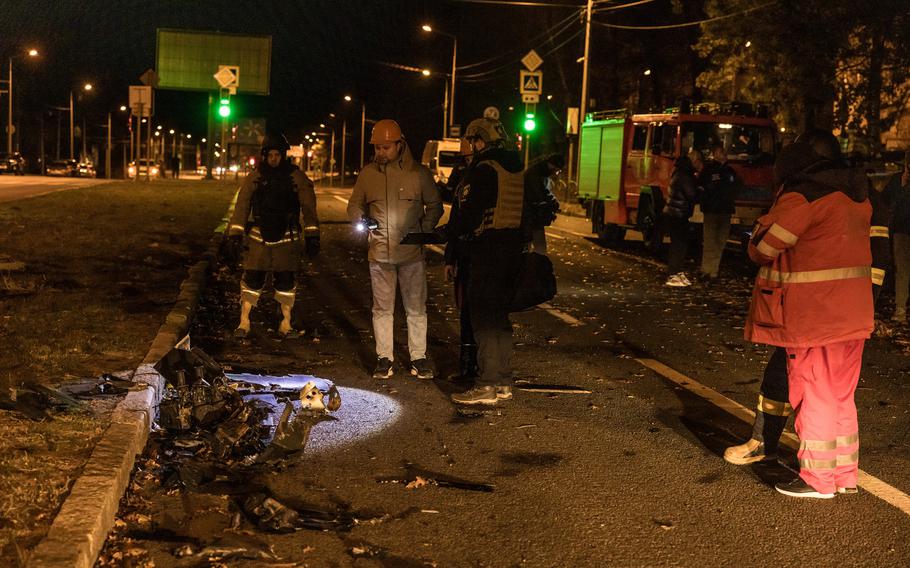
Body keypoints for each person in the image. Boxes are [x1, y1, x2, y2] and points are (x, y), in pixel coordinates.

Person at [724, 132, 888, 469]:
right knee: (836, 393)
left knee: (811, 390)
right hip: (850, 310)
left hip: (812, 312)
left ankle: (809, 469)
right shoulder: (859, 193)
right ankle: (839, 472)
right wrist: (868, 297)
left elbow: (764, 247)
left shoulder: (806, 196)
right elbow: (873, 251)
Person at [347, 119, 443, 379]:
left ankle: (419, 358)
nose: (380, 152)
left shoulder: (419, 174)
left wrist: (421, 231)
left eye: (386, 147)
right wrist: (361, 219)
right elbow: (354, 204)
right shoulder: (368, 174)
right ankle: (384, 358)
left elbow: (435, 205)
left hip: (411, 255)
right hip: (379, 254)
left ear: (400, 144)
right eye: (377, 147)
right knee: (382, 309)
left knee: (416, 308)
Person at [448, 116, 527, 405]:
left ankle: (487, 385)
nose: (470, 146)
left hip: (486, 251)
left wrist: (449, 234)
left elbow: (468, 216)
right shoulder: (517, 168)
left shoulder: (484, 170)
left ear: (480, 140)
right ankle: (503, 380)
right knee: (500, 317)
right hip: (512, 252)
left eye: (472, 140)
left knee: (482, 318)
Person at [226, 133, 320, 338]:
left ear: (284, 155)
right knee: (252, 279)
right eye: (271, 154)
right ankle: (244, 322)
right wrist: (235, 234)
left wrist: (313, 234)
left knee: (286, 281)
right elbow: (242, 206)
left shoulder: (297, 178)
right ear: (265, 154)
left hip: (287, 239)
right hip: (258, 238)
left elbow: (309, 207)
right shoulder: (256, 177)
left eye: (278, 154)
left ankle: (286, 324)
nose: (274, 158)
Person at [444, 137, 479, 379]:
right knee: (468, 312)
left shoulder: (478, 180)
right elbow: (456, 219)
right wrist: (449, 258)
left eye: (468, 158)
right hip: (469, 255)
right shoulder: (467, 181)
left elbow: (460, 222)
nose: (467, 163)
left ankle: (472, 368)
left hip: (476, 256)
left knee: (473, 312)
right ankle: (471, 367)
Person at [699, 144, 740, 279]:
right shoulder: (709, 170)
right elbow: (702, 187)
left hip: (725, 210)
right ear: (714, 153)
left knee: (721, 241)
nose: (724, 153)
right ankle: (706, 270)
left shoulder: (730, 171)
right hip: (712, 210)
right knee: (710, 241)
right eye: (720, 151)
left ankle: (713, 270)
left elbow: (737, 187)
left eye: (724, 151)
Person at [663, 151, 701, 287]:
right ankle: (673, 273)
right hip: (679, 214)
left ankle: (676, 272)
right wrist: (701, 190)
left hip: (675, 213)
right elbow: (692, 194)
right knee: (679, 245)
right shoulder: (685, 176)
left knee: (678, 244)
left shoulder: (678, 173)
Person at [885, 158, 910, 323]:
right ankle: (900, 309)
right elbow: (886, 202)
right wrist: (902, 185)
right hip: (902, 231)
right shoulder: (897, 180)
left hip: (901, 230)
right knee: (902, 271)